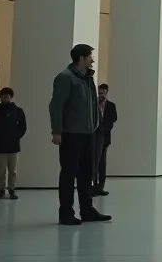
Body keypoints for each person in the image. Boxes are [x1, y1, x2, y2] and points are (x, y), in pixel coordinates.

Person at [50, 44, 111, 225]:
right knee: (69, 173)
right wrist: (56, 131)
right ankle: (66, 212)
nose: (93, 60)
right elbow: (56, 106)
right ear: (81, 58)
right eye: (90, 57)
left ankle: (87, 209)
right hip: (71, 134)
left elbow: (93, 106)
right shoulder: (65, 78)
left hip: (88, 133)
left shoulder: (88, 79)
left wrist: (96, 126)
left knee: (87, 173)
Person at [0, 87, 26, 200]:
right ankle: (1, 189)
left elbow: (23, 126)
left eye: (7, 95)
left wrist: (16, 136)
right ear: (1, 97)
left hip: (13, 146)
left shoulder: (18, 111)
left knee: (13, 170)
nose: (5, 97)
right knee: (0, 170)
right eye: (3, 95)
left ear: (11, 97)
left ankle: (12, 189)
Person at [92, 83, 116, 196]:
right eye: (100, 92)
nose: (102, 95)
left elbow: (112, 120)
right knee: (93, 162)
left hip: (104, 138)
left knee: (102, 163)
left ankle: (101, 187)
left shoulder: (111, 106)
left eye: (104, 93)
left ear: (107, 93)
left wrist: (104, 129)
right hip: (93, 138)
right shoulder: (93, 105)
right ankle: (93, 185)